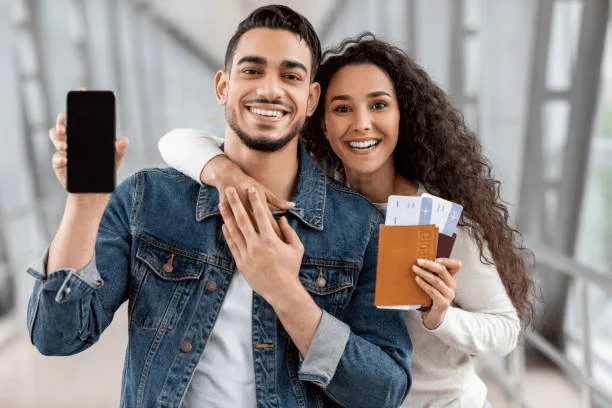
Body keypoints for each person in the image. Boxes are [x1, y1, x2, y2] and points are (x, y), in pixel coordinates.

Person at [26, 8, 413, 408]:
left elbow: (382, 393)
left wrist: (285, 293)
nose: (270, 90)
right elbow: (56, 336)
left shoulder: (360, 227)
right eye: (252, 71)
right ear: (222, 86)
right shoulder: (149, 199)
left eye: (291, 76)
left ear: (312, 98)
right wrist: (85, 206)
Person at [159, 33, 535, 408]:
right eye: (342, 109)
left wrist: (441, 316)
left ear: (401, 115)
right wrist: (228, 174)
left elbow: (506, 330)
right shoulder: (320, 209)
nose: (362, 124)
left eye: (379, 105)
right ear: (321, 122)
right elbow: (176, 143)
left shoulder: (443, 222)